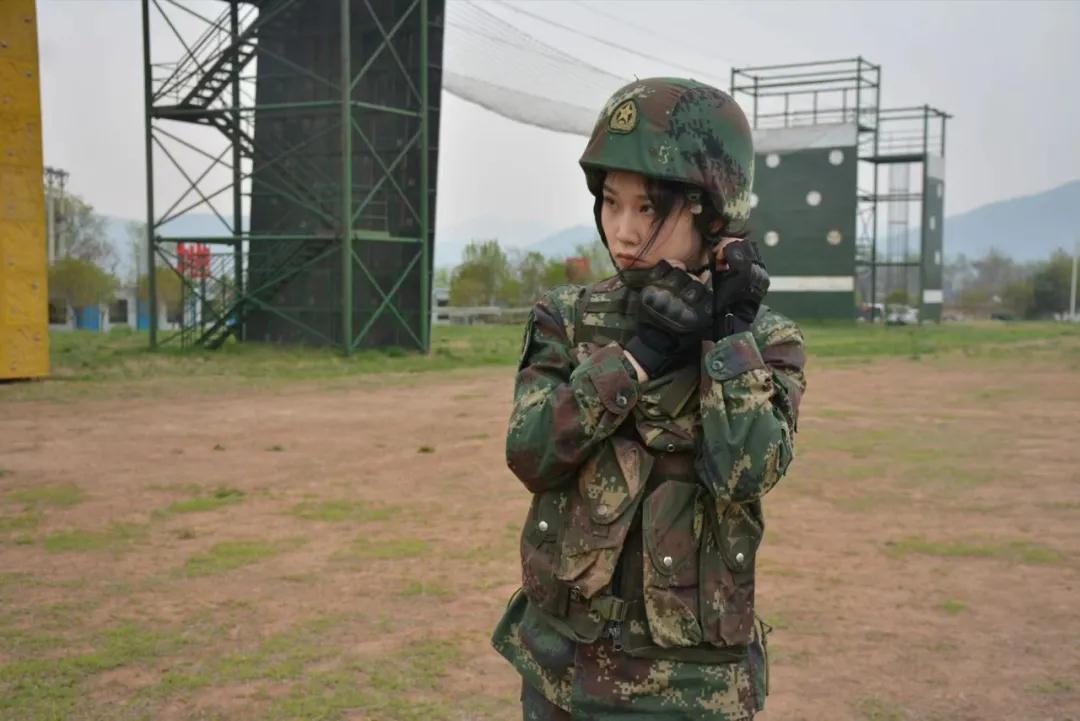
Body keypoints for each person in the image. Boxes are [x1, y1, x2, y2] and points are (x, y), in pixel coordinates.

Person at [491, 77, 807, 720]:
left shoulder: (766, 340)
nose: (623, 232)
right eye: (611, 204)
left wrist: (728, 339)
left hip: (692, 686)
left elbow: (746, 473)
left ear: (710, 210)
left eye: (647, 209)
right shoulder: (567, 317)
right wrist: (636, 357)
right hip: (561, 668)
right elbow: (530, 454)